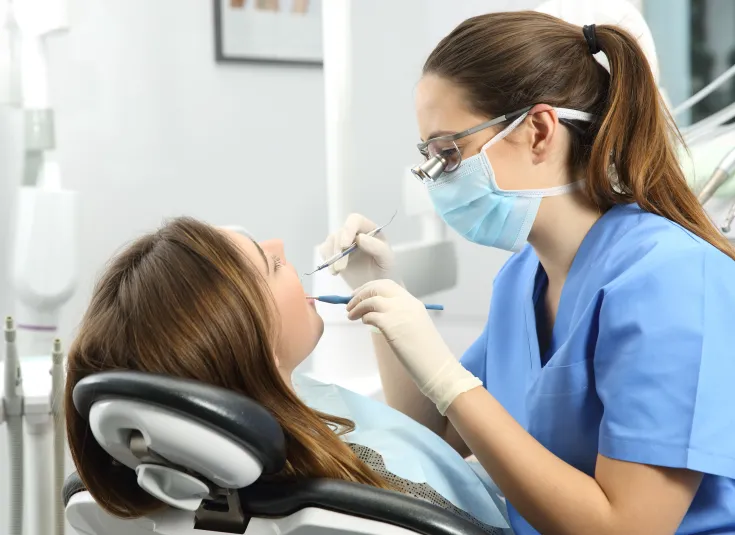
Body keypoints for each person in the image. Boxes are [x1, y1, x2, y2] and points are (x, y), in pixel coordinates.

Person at [320, 11, 735, 535]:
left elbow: (628, 527)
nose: (436, 178)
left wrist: (450, 379)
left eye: (449, 153)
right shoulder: (522, 279)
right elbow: (434, 431)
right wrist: (380, 294)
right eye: (427, 156)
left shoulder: (673, 280)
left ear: (539, 131)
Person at [64, 217, 506, 532]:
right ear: (255, 351)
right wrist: (448, 380)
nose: (278, 244)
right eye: (269, 264)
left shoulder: (216, 460)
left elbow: (414, 436)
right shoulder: (377, 494)